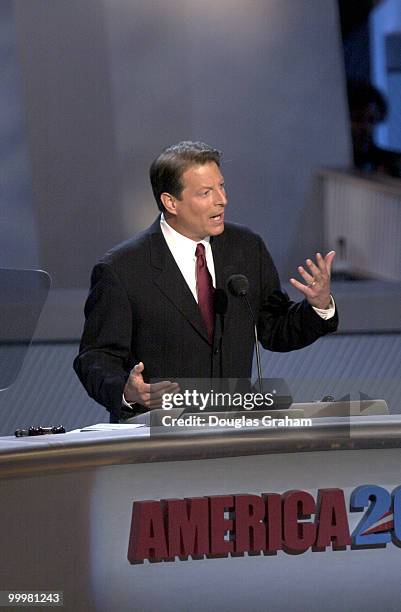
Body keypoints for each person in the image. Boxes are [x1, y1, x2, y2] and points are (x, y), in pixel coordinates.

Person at [74, 141, 338, 421]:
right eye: (206, 192)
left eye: (222, 187)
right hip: (157, 437)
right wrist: (127, 392)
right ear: (170, 202)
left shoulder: (246, 248)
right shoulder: (122, 268)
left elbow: (274, 329)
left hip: (233, 432)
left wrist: (318, 307)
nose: (222, 200)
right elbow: (96, 357)